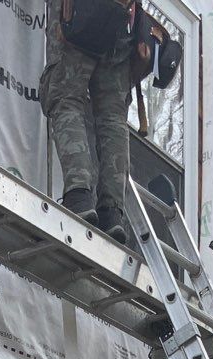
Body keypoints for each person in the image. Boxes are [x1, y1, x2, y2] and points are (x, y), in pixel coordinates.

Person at [41, 0, 139, 243]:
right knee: (113, 118)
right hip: (122, 17)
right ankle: (112, 213)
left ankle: (79, 194)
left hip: (80, 11)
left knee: (66, 95)